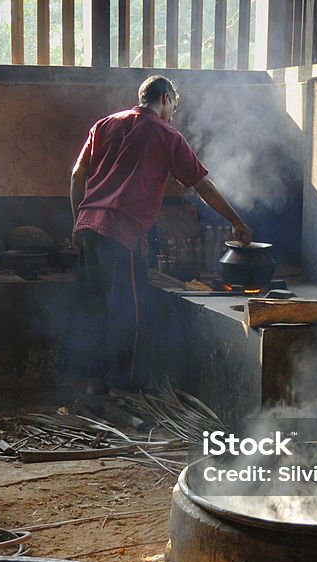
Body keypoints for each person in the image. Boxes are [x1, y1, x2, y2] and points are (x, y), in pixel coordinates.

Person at [69, 75, 253, 394]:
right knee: (129, 316)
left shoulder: (104, 125)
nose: (173, 115)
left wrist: (77, 221)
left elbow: (77, 175)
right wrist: (236, 220)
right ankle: (123, 391)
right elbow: (202, 185)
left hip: (87, 230)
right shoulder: (166, 134)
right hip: (121, 235)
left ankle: (91, 388)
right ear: (166, 99)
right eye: (174, 108)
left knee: (92, 310)